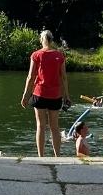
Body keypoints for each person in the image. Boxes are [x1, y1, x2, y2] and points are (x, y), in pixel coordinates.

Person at [20, 29, 70, 157]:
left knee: (40, 126)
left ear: (42, 40)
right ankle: (57, 156)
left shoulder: (36, 55)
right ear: (51, 40)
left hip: (39, 94)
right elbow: (63, 77)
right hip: (55, 95)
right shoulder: (59, 55)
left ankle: (41, 156)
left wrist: (26, 95)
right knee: (55, 127)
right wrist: (67, 96)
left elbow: (31, 77)